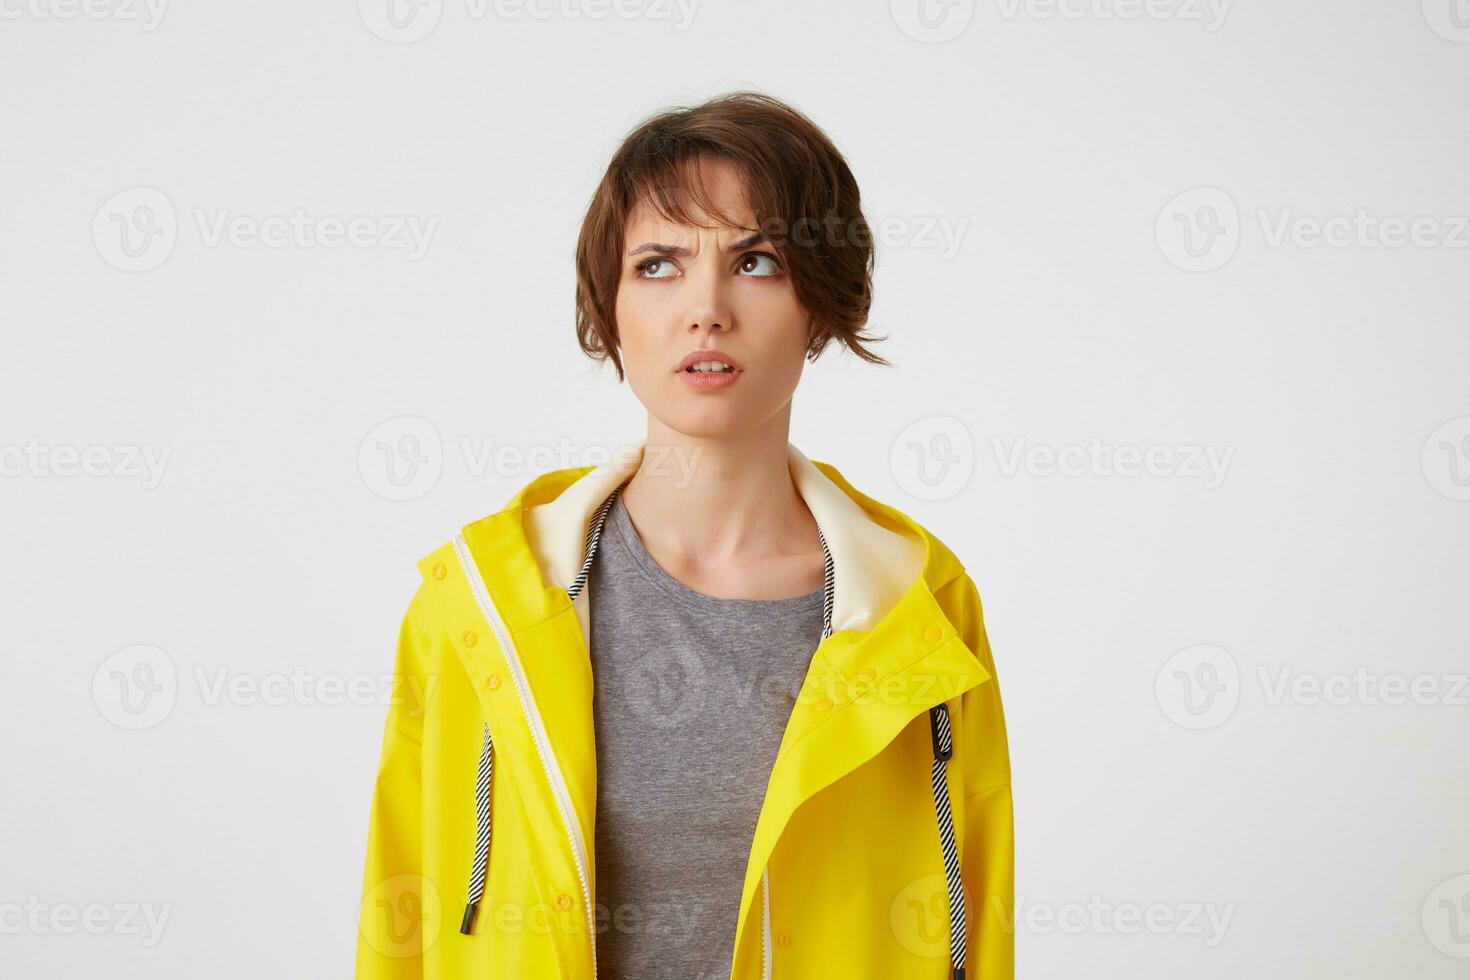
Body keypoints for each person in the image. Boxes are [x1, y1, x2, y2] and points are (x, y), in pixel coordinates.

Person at [355, 90, 1013, 980]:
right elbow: (404, 915)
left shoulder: (918, 608)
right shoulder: (481, 604)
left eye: (759, 261)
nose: (707, 308)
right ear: (612, 306)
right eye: (659, 265)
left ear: (820, 302)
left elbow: (977, 923)